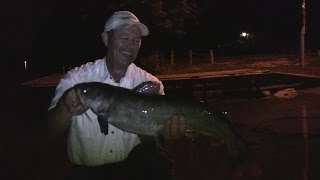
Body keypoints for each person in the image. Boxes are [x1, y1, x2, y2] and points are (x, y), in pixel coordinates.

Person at [47, 11, 185, 180]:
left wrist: (164, 132)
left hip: (133, 171)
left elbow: (151, 141)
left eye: (136, 40)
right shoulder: (76, 79)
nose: (131, 46)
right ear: (106, 38)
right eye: (124, 38)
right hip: (87, 174)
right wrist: (64, 108)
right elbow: (50, 129)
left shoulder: (151, 83)